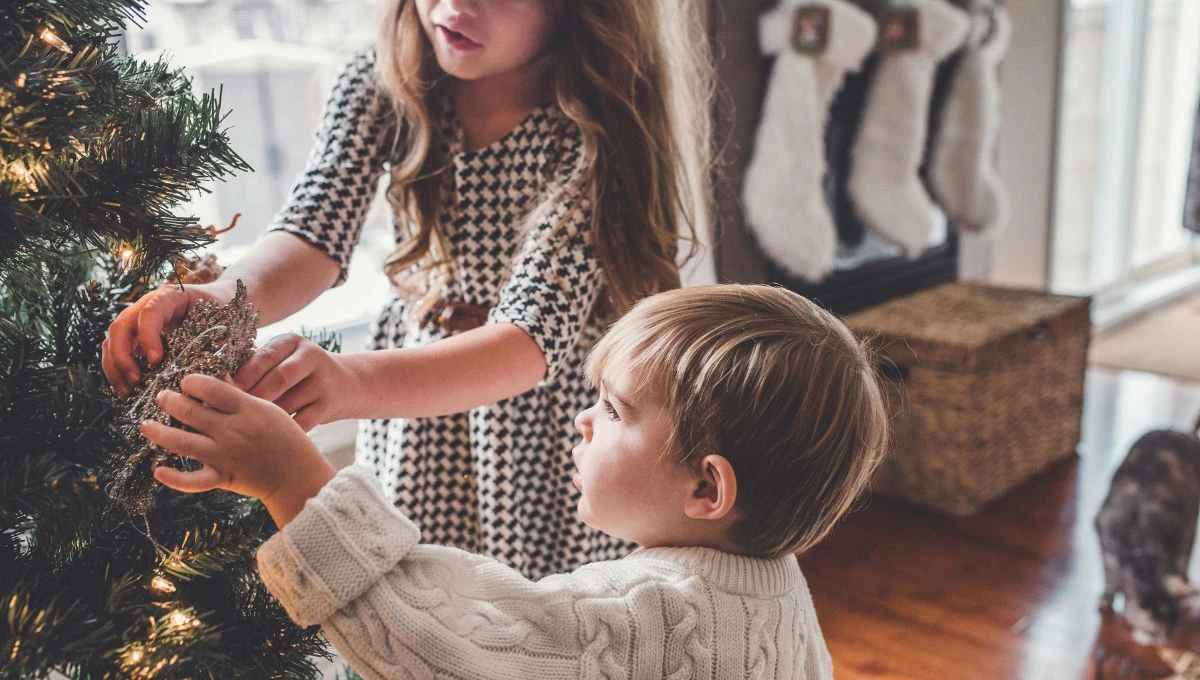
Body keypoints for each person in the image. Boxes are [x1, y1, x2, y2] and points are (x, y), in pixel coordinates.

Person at [102, 0, 713, 578]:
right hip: (417, 413)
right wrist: (222, 299)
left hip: (543, 425)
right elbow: (314, 233)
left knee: (525, 619)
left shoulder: (587, 130)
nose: (454, 5)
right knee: (418, 603)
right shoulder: (381, 80)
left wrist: (346, 382)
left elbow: (527, 342)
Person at [141, 284, 889, 679]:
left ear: (707, 491)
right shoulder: (776, 590)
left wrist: (291, 478)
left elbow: (437, 645)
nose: (582, 421)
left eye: (613, 409)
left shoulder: (650, 614)